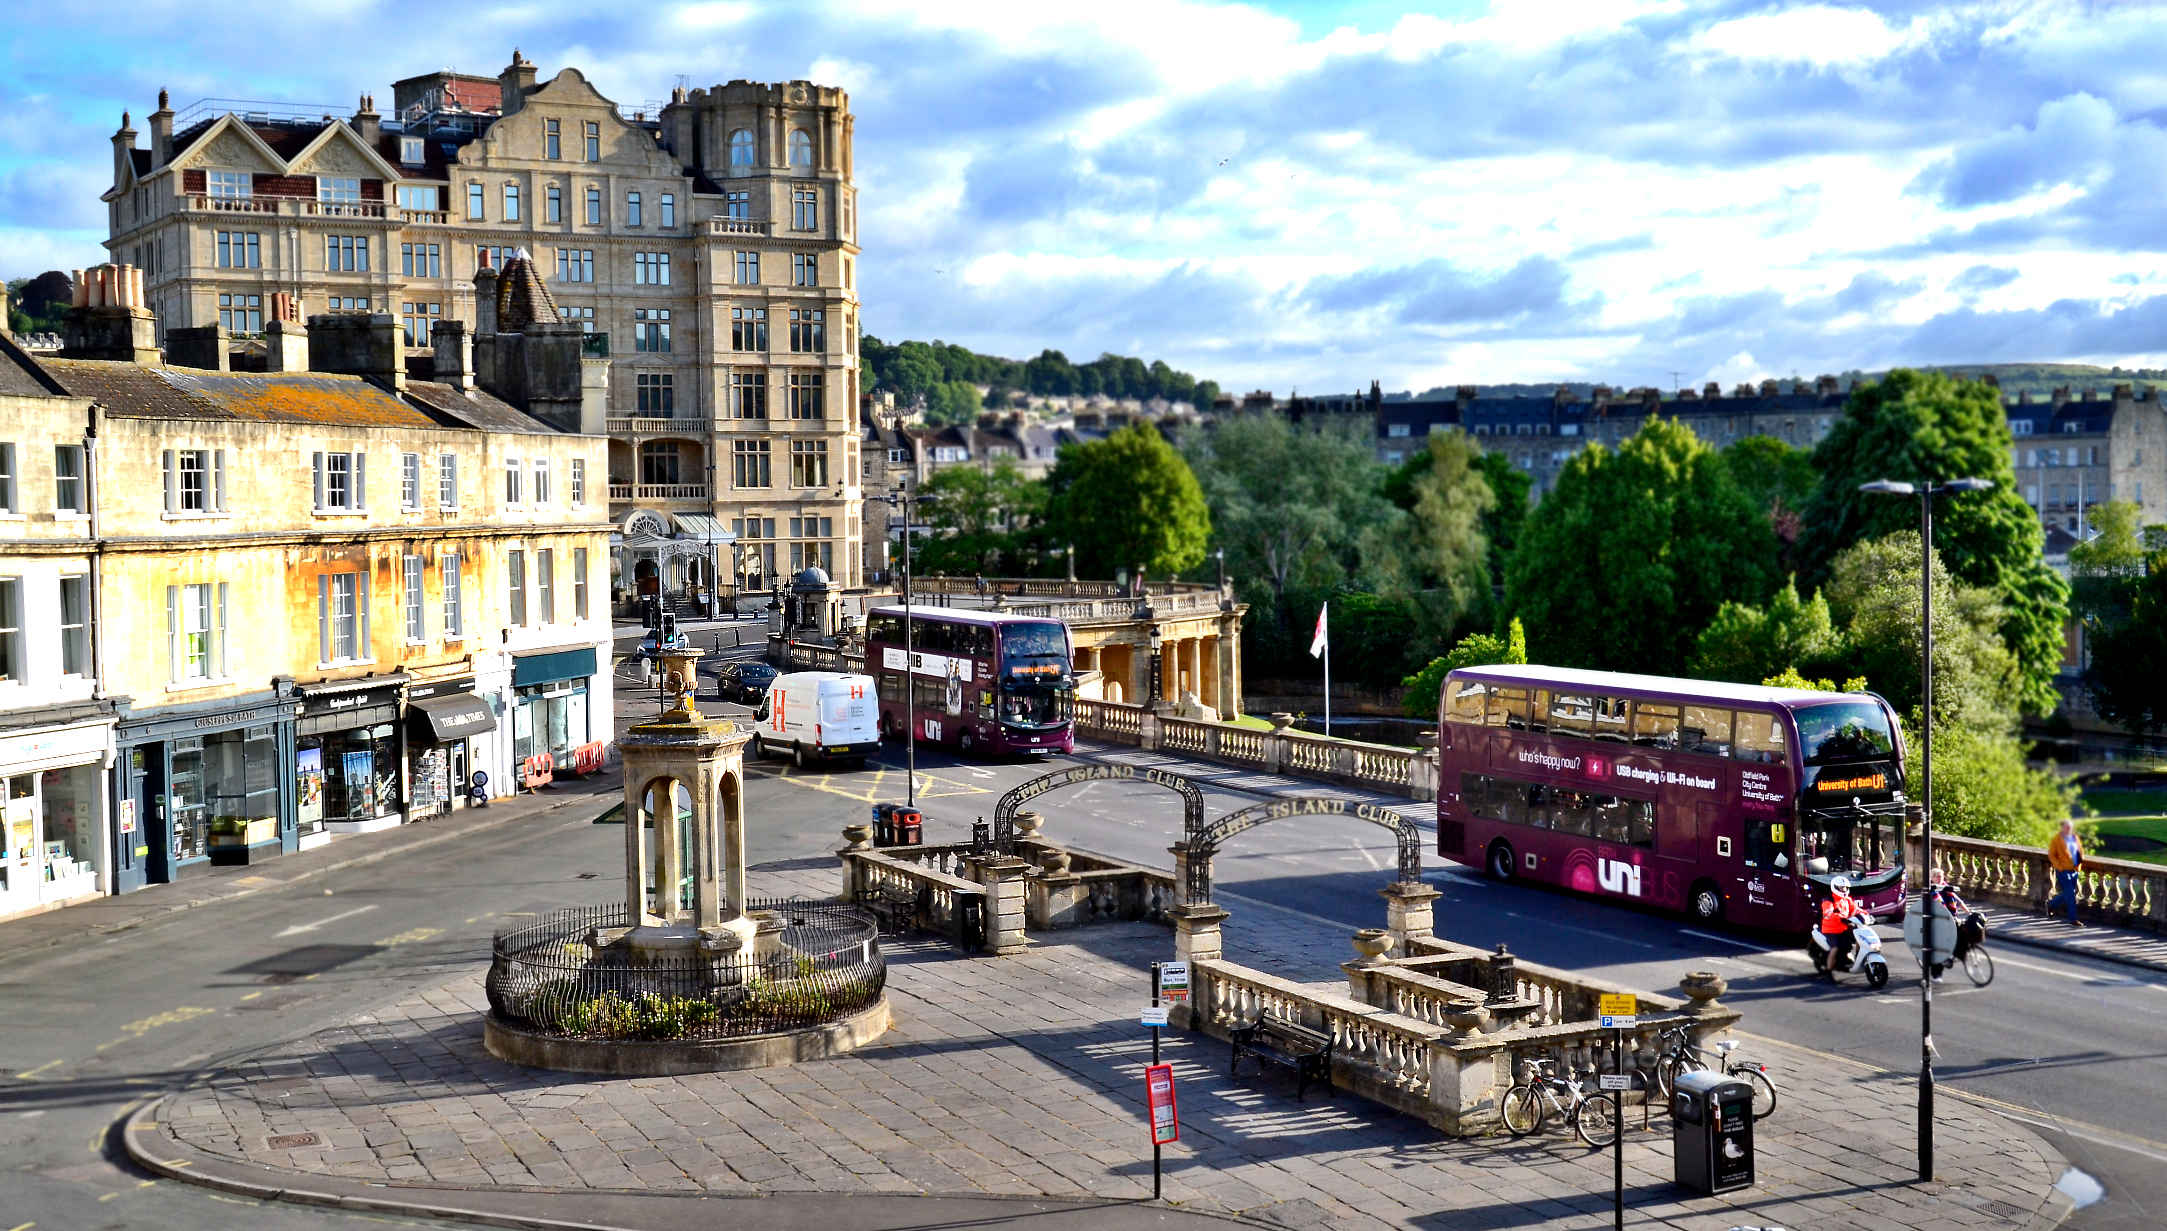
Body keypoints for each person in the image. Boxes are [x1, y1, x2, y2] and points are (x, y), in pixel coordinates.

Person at [1926, 869, 1987, 980]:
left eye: (1941, 876)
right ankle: (1936, 974)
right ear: (1932, 878)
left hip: (1950, 919)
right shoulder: (1931, 890)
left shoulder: (1947, 888)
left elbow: (1958, 902)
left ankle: (1956, 953)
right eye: (1936, 876)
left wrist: (1969, 912)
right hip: (1937, 920)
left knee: (1963, 935)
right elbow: (1939, 907)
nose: (1939, 878)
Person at [1819, 875, 1867, 973]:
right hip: (1831, 929)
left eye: (1845, 888)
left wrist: (1866, 914)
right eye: (1841, 888)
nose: (1844, 890)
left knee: (1861, 936)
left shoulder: (1847, 900)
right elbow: (1828, 913)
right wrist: (1840, 917)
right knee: (1835, 948)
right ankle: (1828, 971)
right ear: (1835, 887)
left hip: (1844, 927)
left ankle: (1858, 956)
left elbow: (1856, 909)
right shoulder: (1829, 900)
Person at [2047, 819, 2084, 926]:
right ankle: (2073, 919)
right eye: (2066, 827)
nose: (2068, 829)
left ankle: (2051, 904)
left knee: (2068, 893)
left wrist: (2079, 864)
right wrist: (2059, 867)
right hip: (2063, 871)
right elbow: (2051, 855)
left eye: (2070, 827)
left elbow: (2080, 851)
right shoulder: (2057, 839)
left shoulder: (2074, 837)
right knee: (2071, 895)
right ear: (2062, 828)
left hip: (2074, 870)